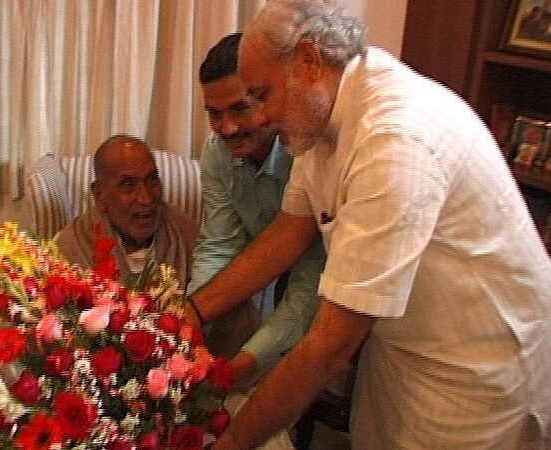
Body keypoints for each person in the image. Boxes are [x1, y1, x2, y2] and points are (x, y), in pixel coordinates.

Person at [184, 1, 551, 449]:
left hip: (477, 365)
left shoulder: (394, 140)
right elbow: (287, 234)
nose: (258, 117)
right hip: (402, 347)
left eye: (261, 95)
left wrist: (229, 444)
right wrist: (191, 312)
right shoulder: (318, 111)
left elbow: (331, 345)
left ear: (308, 60)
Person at [188, 33, 326, 382]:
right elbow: (218, 245)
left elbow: (311, 278)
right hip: (263, 281)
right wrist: (188, 326)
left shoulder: (307, 154)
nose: (227, 128)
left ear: (266, 99)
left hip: (326, 290)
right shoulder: (216, 152)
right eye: (214, 114)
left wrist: (248, 361)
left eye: (240, 109)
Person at [55, 134, 197, 285]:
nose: (146, 199)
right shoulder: (72, 247)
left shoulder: (186, 235)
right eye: (128, 185)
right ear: (99, 195)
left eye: (152, 180)